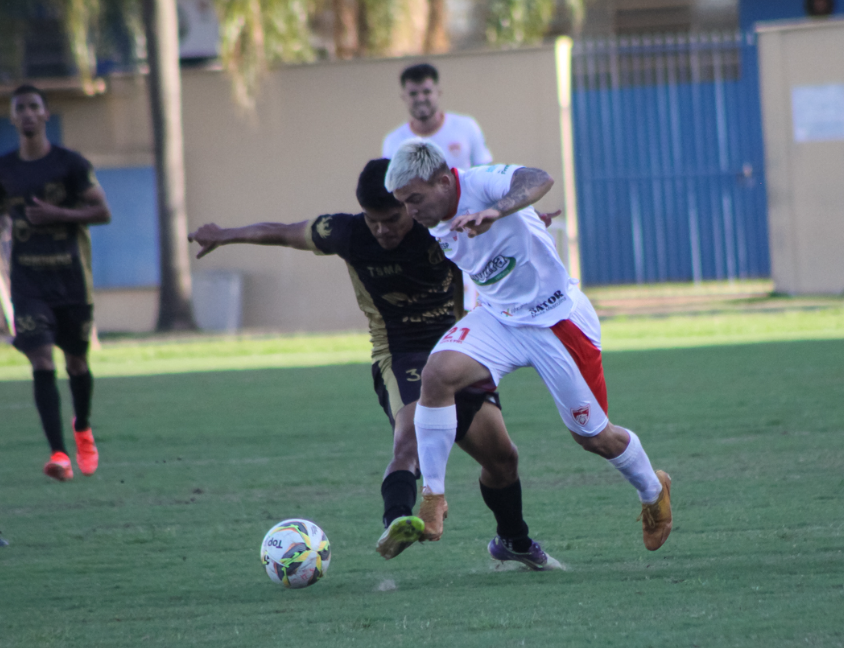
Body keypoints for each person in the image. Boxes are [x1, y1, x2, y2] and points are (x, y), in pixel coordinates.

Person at [188, 159, 560, 569]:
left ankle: (513, 541)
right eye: (374, 220)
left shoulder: (438, 225)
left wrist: (528, 221)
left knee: (503, 459)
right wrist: (224, 236)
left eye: (392, 218)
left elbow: (495, 237)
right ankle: (398, 521)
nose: (382, 229)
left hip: (460, 350)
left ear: (409, 206)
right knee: (408, 444)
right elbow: (283, 232)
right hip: (401, 355)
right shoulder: (346, 232)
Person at [385, 139, 673, 551]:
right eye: (404, 202)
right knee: (436, 376)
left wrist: (498, 210)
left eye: (414, 198)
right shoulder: (430, 215)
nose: (411, 211)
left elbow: (538, 178)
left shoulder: (480, 183)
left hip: (556, 321)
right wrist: (527, 219)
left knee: (594, 437)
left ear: (445, 181)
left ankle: (653, 490)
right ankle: (433, 497)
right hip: (500, 318)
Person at [0, 84, 111, 481]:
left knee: (76, 362)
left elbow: (102, 211)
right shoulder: (6, 169)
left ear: (46, 114)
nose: (28, 114)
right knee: (42, 360)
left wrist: (57, 214)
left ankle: (82, 428)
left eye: (34, 107)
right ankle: (59, 453)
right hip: (28, 285)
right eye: (20, 108)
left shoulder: (71, 164)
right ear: (13, 118)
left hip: (71, 280)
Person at [383, 63, 494, 312]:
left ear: (438, 92)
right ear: (404, 97)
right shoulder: (394, 142)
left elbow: (485, 175)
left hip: (468, 231)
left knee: (473, 302)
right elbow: (394, 197)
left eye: (426, 91)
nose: (421, 98)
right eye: (413, 94)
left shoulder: (466, 128)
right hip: (425, 236)